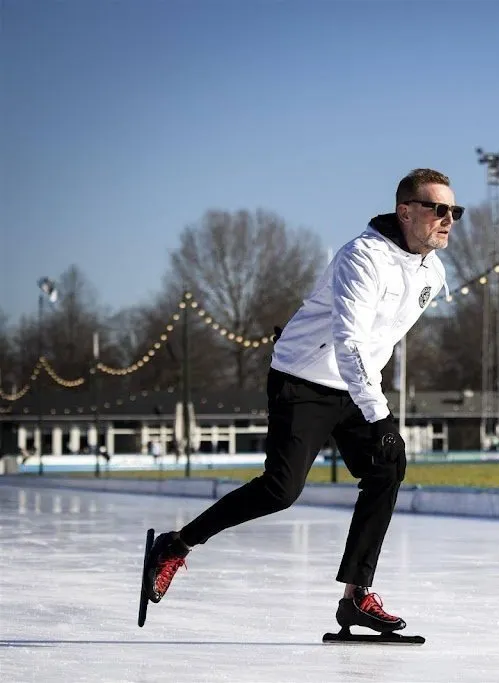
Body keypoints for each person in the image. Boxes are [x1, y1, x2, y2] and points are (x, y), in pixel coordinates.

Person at [142, 168, 458, 634]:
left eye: (454, 211)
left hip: (354, 384)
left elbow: (378, 342)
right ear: (405, 211)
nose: (448, 219)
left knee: (388, 466)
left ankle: (356, 596)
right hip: (304, 380)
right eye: (438, 209)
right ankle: (177, 544)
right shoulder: (362, 256)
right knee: (280, 491)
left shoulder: (433, 270)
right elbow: (348, 340)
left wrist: (373, 404)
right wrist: (382, 415)